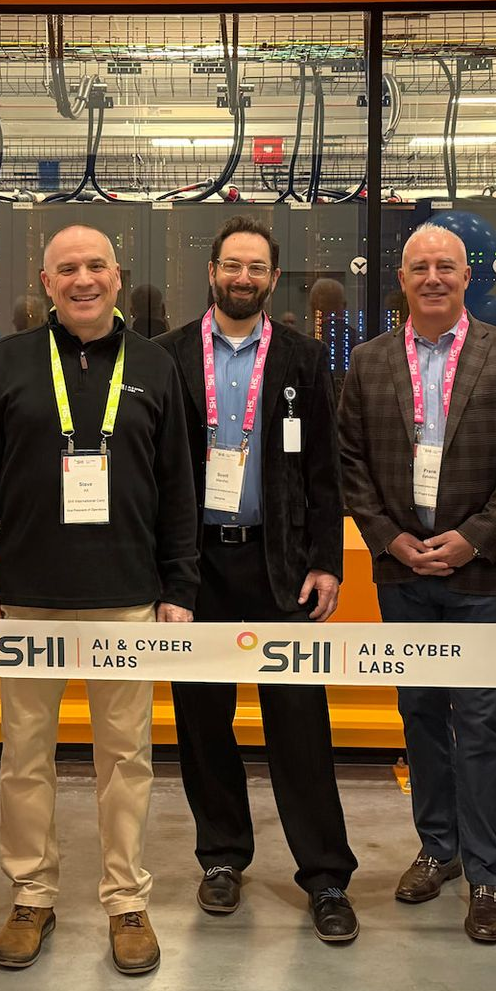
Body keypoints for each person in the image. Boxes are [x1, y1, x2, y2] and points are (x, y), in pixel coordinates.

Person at [0, 224, 198, 977]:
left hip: (127, 597)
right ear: (47, 282)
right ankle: (32, 895)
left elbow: (178, 489)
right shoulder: (9, 363)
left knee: (125, 757)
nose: (83, 278)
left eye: (96, 266)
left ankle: (126, 902)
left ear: (117, 277)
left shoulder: (155, 365)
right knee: (25, 757)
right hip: (26, 598)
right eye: (69, 269)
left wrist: (180, 587)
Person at [338, 223, 496, 945]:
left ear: (469, 276)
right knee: (421, 713)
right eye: (420, 267)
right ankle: (439, 847)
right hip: (402, 571)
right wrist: (389, 537)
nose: (433, 277)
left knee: (484, 721)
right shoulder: (367, 363)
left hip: (483, 573)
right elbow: (350, 462)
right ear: (401, 277)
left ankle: (489, 876)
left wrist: (472, 539)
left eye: (446, 267)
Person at [157, 217, 358, 944]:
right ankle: (221, 859)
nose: (243, 278)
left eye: (257, 268)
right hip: (196, 569)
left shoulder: (303, 359)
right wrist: (163, 578)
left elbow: (323, 474)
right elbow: (153, 476)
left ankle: (327, 876)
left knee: (299, 727)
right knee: (202, 724)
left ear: (273, 279)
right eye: (232, 265)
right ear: (211, 270)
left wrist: (327, 561)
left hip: (282, 570)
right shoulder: (167, 356)